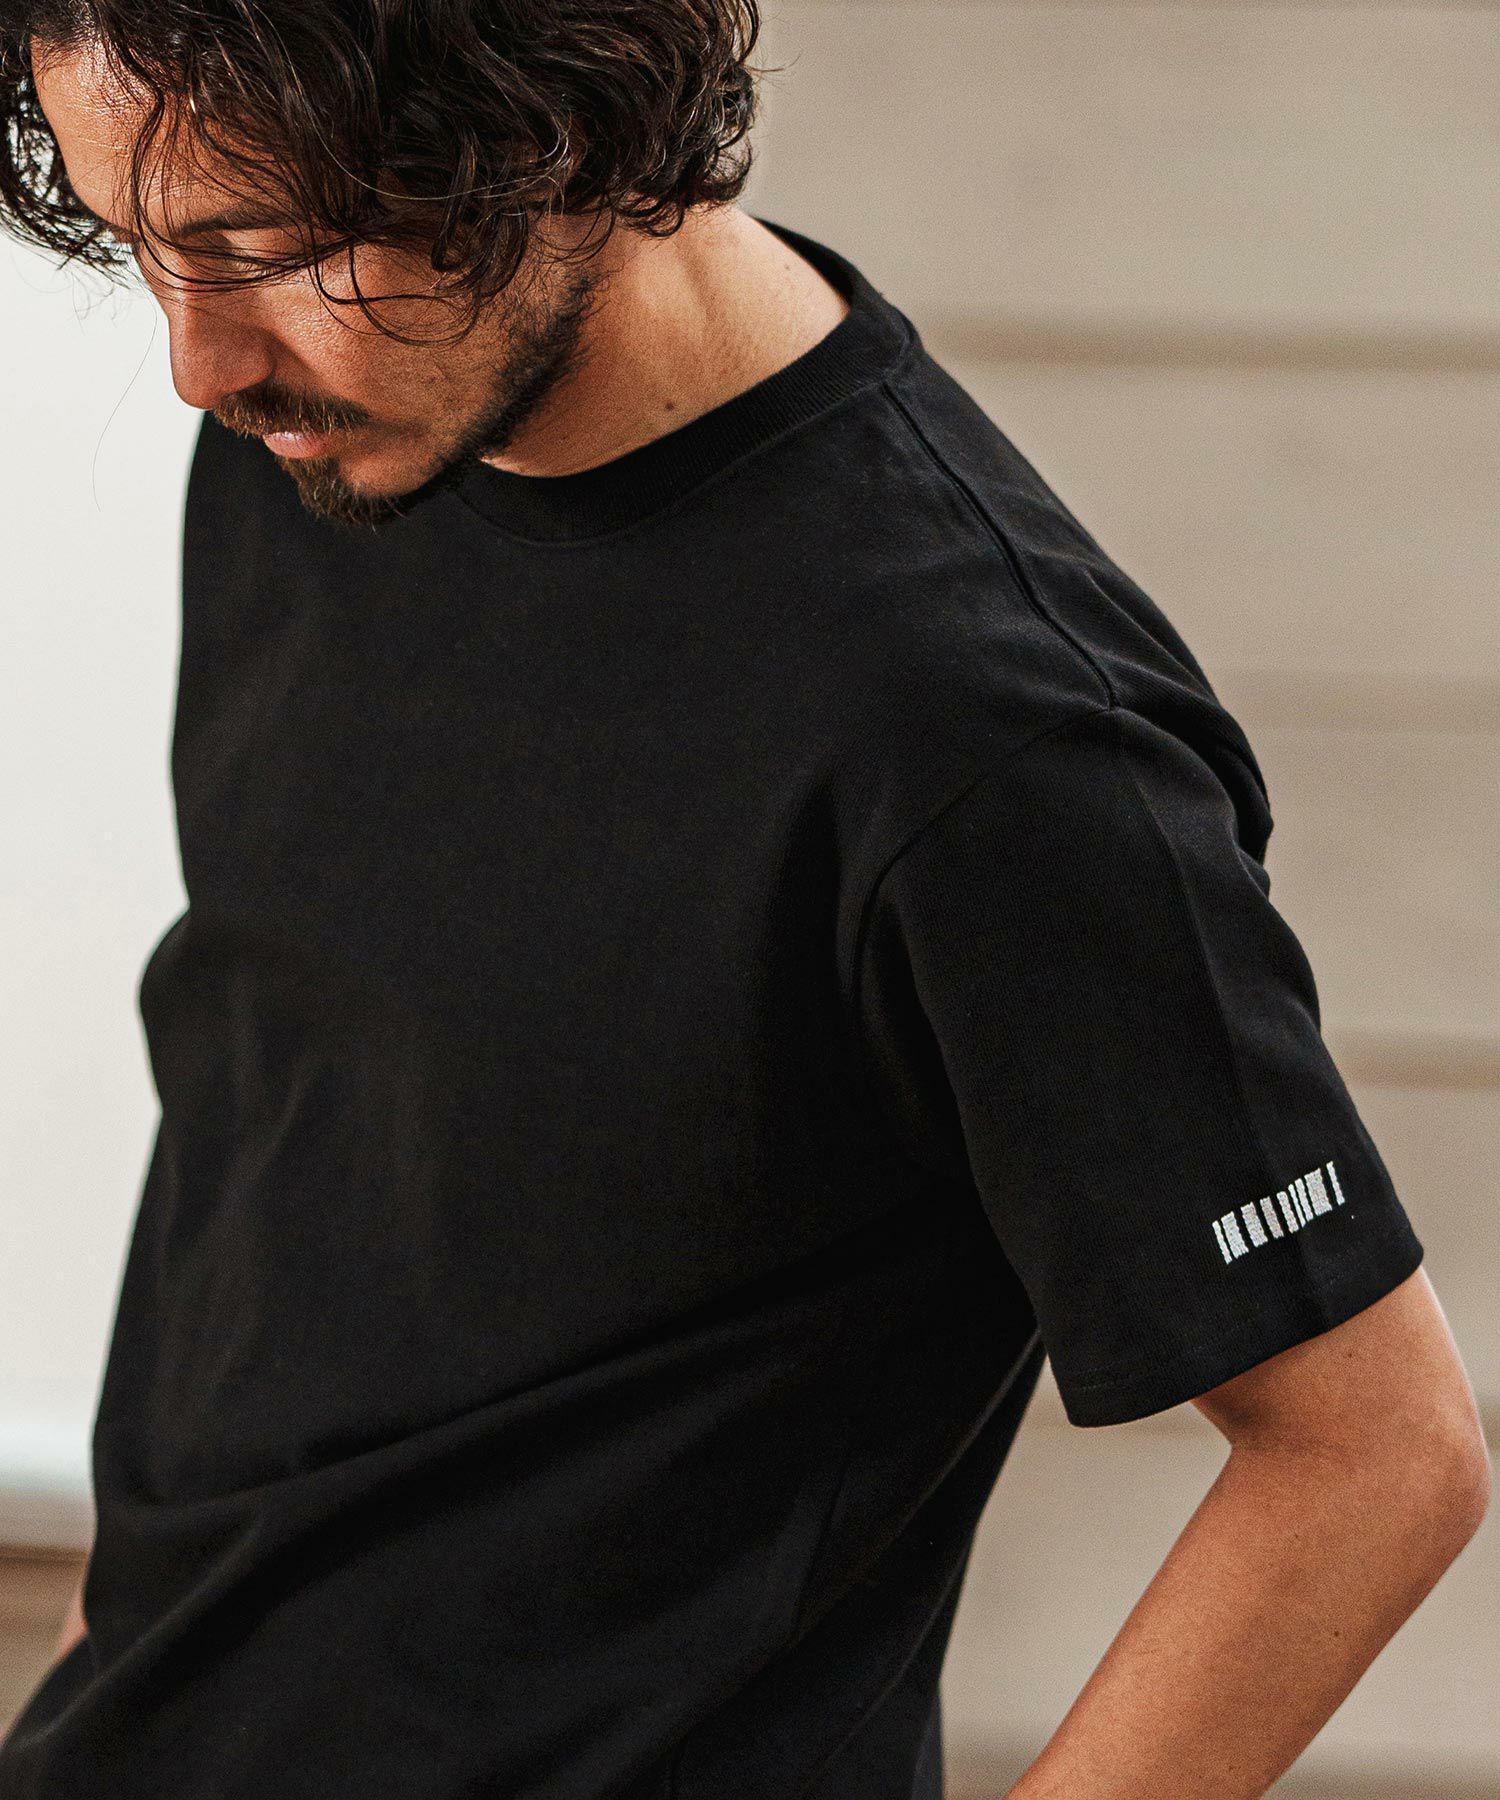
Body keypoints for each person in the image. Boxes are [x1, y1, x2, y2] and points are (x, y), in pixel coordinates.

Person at [0, 5, 1489, 1797]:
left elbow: (1376, 1455)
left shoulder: (985, 730)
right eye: (147, 248)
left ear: (543, 124)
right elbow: (269, 1137)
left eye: (266, 248)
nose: (196, 365)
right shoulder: (321, 448)